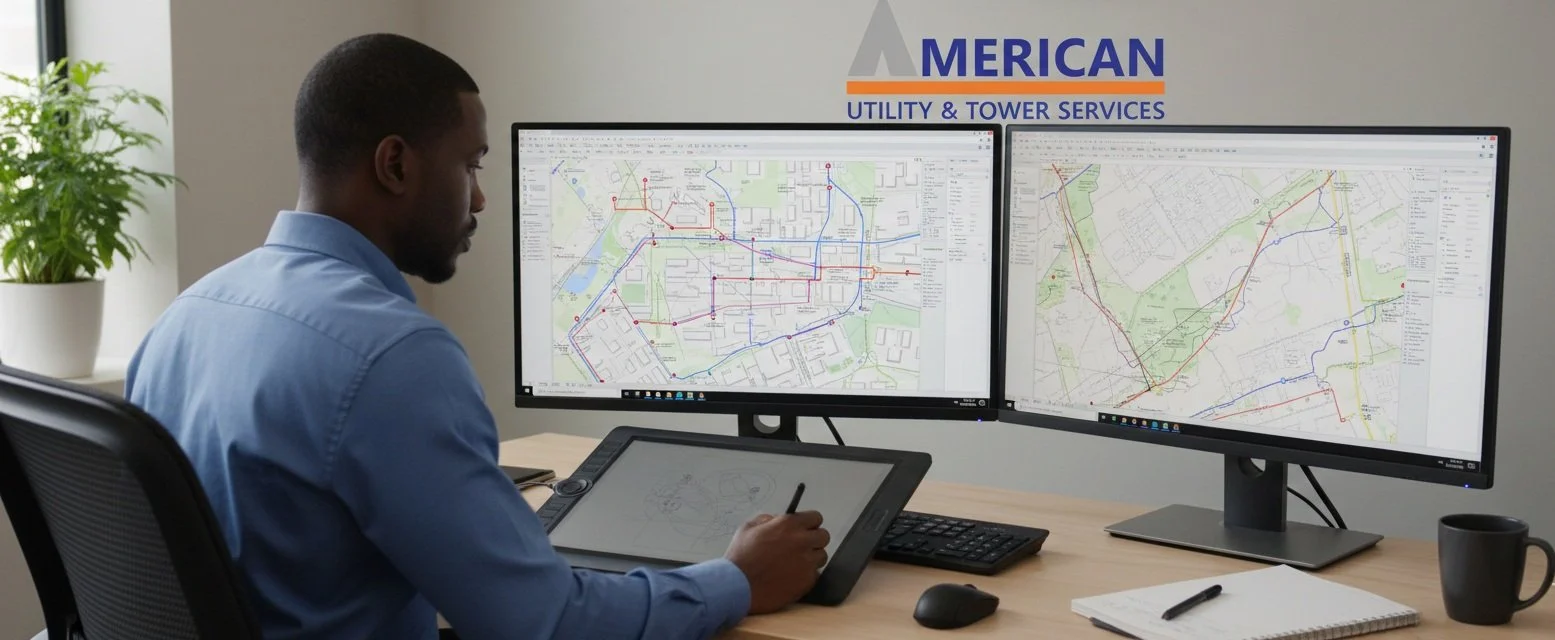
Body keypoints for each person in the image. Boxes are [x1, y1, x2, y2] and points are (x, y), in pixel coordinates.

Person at [124, 33, 830, 640]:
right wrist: (735, 580)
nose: (481, 197)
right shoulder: (392, 357)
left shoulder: (188, 314)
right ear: (395, 164)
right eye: (471, 165)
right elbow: (545, 623)